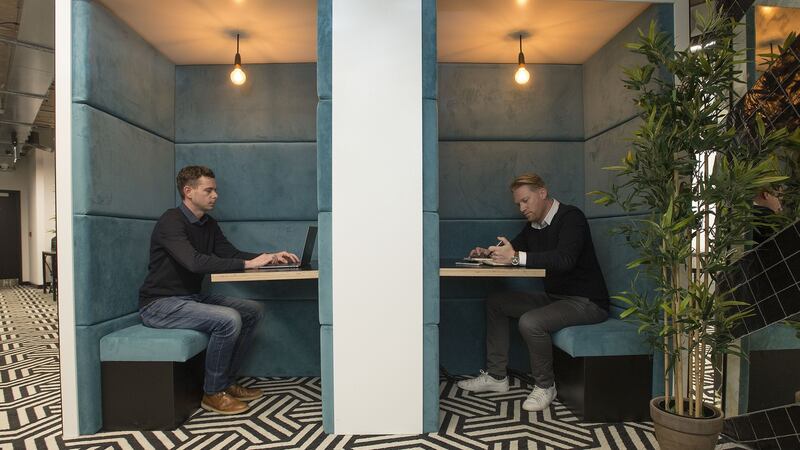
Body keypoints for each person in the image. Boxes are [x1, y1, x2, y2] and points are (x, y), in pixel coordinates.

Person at [138, 165, 299, 415]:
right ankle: (212, 393)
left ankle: (226, 382)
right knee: (228, 319)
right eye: (209, 190)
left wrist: (269, 257)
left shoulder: (208, 224)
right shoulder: (171, 221)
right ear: (188, 191)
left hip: (190, 298)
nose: (215, 195)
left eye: (216, 190)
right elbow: (193, 261)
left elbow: (231, 255)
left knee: (252, 310)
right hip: (159, 304)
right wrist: (248, 264)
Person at [457, 173, 610, 412]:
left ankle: (546, 386)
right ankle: (497, 377)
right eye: (518, 203)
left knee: (531, 322)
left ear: (542, 192)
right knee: (497, 301)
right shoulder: (533, 226)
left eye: (526, 200)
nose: (522, 208)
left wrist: (515, 257)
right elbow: (513, 249)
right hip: (556, 298)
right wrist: (488, 254)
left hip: (587, 302)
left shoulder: (572, 217)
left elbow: (565, 259)